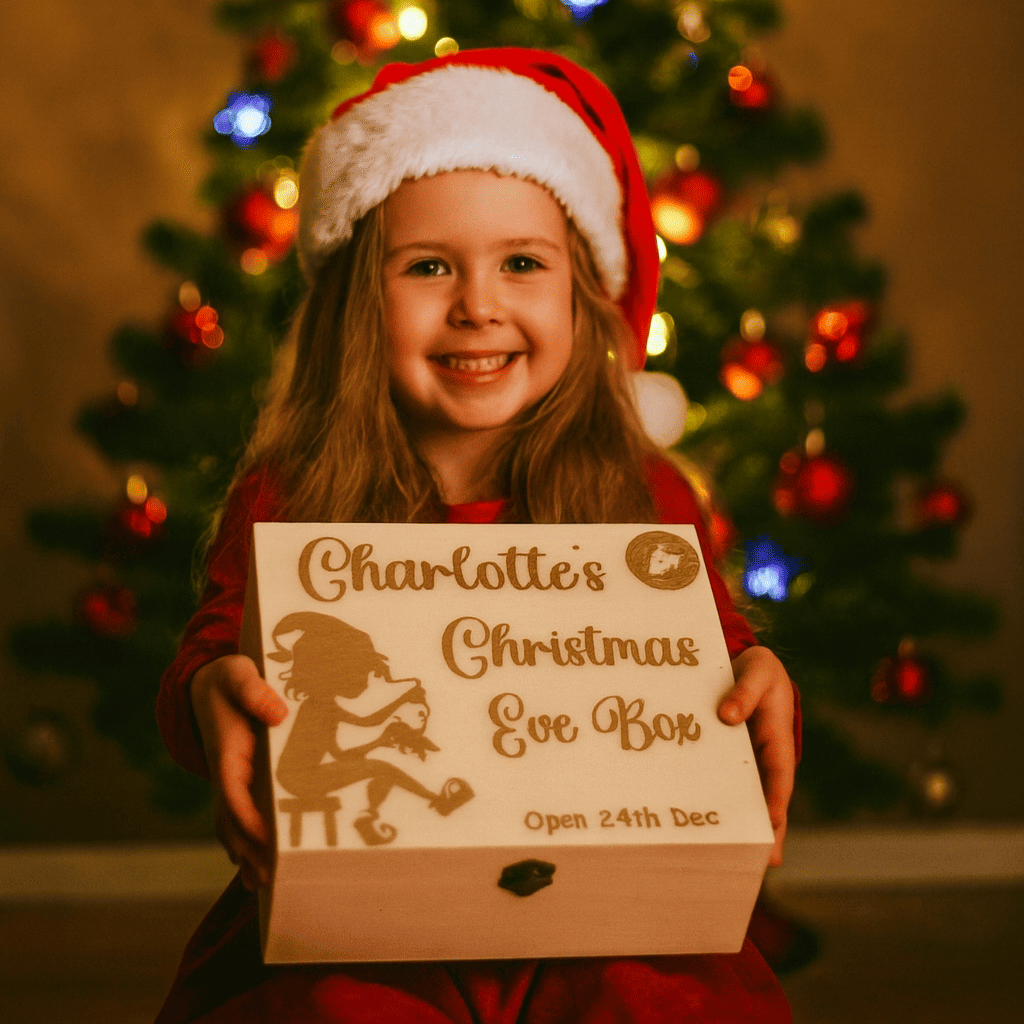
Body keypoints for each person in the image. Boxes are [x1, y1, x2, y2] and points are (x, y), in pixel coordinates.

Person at [155, 47, 798, 1024]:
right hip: (365, 902)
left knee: (658, 1003)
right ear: (356, 302)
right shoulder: (290, 491)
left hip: (607, 900)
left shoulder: (642, 489)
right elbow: (215, 647)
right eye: (427, 267)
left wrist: (752, 671)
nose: (477, 304)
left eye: (522, 263)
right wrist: (212, 685)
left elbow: (703, 647)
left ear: (582, 295)